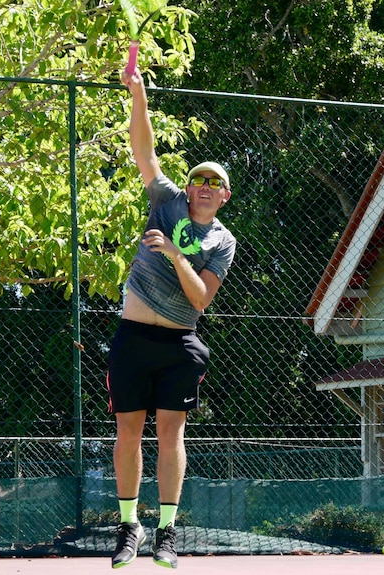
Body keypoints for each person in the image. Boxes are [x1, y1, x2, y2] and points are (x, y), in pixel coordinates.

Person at [107, 66, 236, 570]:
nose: (205, 186)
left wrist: (173, 255)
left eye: (215, 182)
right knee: (127, 431)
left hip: (181, 341)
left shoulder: (222, 241)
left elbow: (201, 297)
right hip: (133, 336)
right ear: (188, 187)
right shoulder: (165, 201)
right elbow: (145, 150)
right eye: (199, 179)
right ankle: (128, 528)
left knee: (171, 433)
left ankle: (167, 532)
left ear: (224, 196)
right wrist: (138, 93)